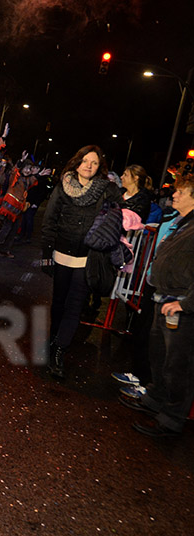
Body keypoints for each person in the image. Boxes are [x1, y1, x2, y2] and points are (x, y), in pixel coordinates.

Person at [121, 174, 194, 437]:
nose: (173, 195)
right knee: (160, 356)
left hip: (181, 306)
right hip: (164, 300)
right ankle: (155, 401)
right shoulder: (183, 223)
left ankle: (171, 420)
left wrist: (185, 305)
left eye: (181, 193)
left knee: (178, 366)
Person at [40, 145, 121, 379]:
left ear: (100, 167)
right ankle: (54, 338)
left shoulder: (107, 190)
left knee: (75, 305)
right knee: (58, 303)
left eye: (94, 163)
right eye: (85, 161)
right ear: (77, 162)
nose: (89, 166)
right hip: (61, 255)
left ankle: (58, 351)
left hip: (88, 259)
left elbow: (122, 213)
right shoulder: (62, 187)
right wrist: (46, 256)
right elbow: (50, 222)